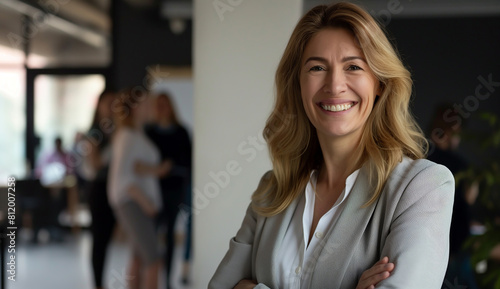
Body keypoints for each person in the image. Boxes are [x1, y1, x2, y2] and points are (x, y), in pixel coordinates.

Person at [209, 3, 455, 289]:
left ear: (380, 83)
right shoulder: (273, 189)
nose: (335, 85)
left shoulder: (422, 187)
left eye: (353, 66)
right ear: (298, 84)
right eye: (316, 67)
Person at [108, 89, 165, 289]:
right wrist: (145, 202)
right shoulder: (128, 136)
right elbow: (122, 178)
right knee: (153, 258)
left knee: (139, 256)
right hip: (132, 203)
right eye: (146, 104)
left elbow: (136, 169)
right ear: (135, 108)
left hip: (136, 203)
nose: (151, 107)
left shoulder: (135, 134)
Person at [142, 92, 192, 289]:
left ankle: (168, 280)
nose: (161, 108)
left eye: (165, 104)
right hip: (151, 191)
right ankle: (151, 280)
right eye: (158, 104)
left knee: (169, 236)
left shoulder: (181, 132)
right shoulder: (148, 132)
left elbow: (188, 162)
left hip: (174, 190)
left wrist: (170, 166)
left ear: (171, 107)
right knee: (151, 237)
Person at [427, 104, 479, 289]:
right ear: (453, 129)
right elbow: (469, 200)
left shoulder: (421, 157)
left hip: (428, 244)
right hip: (455, 247)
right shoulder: (460, 166)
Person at [85, 90, 117, 289]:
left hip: (114, 187)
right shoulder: (95, 132)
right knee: (99, 239)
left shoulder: (119, 129)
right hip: (99, 189)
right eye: (108, 103)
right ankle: (97, 283)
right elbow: (95, 163)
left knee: (107, 238)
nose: (112, 107)